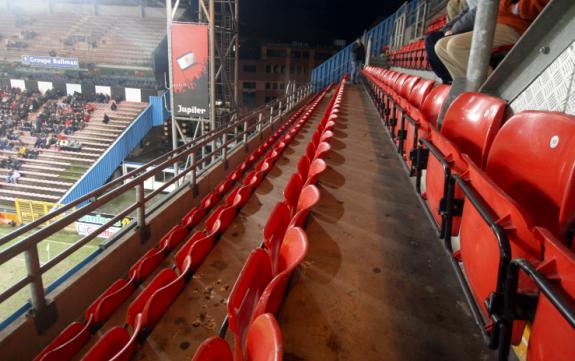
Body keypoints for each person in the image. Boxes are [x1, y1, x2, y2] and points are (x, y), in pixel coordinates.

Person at [435, 0, 550, 80]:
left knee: (455, 46)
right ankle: (468, 90)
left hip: (517, 27)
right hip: (500, 22)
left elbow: (533, 6)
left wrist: (511, 7)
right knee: (440, 46)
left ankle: (489, 91)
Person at [426, 0, 478, 84]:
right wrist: (446, 29)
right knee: (432, 38)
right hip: (469, 23)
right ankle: (447, 79)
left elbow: (478, 11)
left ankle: (450, 78)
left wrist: (453, 30)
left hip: (479, 24)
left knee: (446, 44)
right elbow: (466, 11)